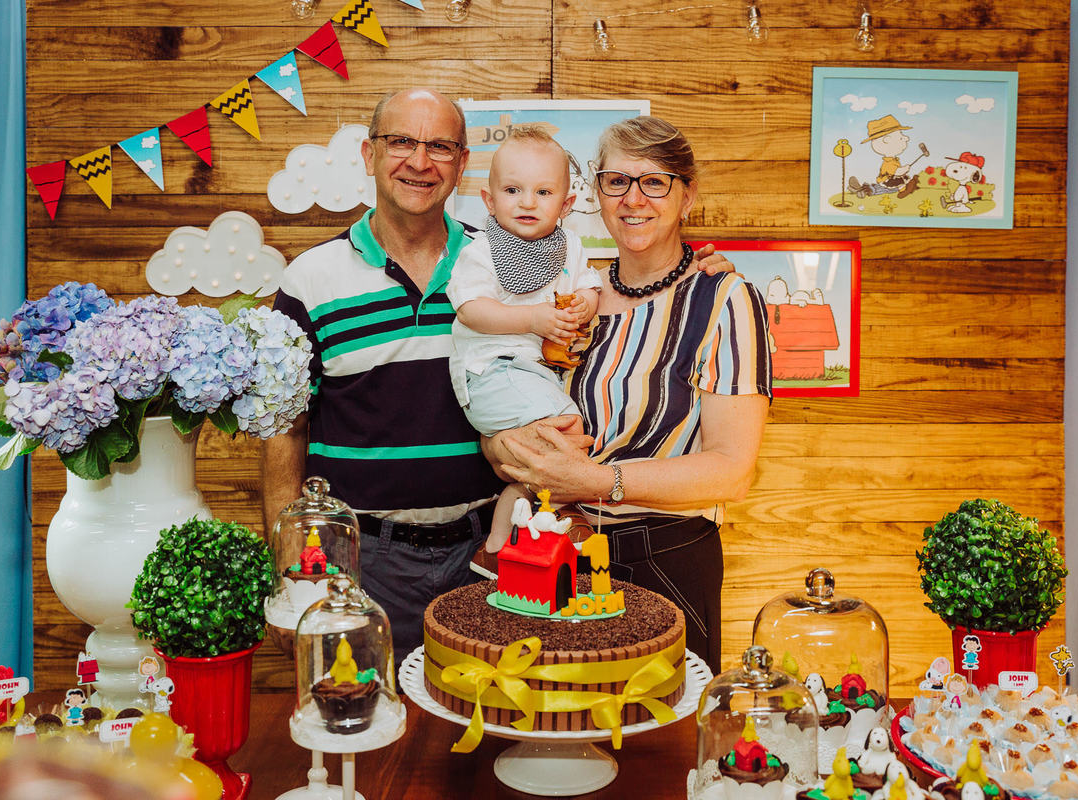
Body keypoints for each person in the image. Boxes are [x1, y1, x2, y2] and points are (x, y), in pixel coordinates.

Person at [264, 91, 732, 662]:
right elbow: (283, 431)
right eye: (401, 142)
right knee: (362, 706)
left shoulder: (503, 251)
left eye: (440, 146)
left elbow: (614, 293)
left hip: (492, 553)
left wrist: (696, 275)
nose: (420, 161)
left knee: (486, 710)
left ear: (462, 164)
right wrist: (291, 575)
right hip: (363, 560)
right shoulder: (311, 279)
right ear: (369, 154)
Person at [483, 116, 773, 673]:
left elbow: (733, 471)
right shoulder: (571, 292)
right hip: (552, 553)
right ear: (596, 193)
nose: (633, 199)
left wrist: (595, 482)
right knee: (554, 711)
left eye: (655, 182)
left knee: (654, 720)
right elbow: (505, 398)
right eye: (617, 181)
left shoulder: (724, 298)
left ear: (688, 196)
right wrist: (504, 450)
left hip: (663, 558)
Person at [447, 125, 601, 555]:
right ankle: (567, 511)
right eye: (513, 190)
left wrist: (584, 304)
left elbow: (589, 285)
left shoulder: (569, 247)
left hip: (535, 374)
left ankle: (499, 542)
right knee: (564, 427)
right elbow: (471, 309)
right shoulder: (481, 252)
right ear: (489, 200)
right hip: (492, 370)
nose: (527, 202)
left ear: (566, 204)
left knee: (541, 451)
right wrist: (532, 319)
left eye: (543, 192)